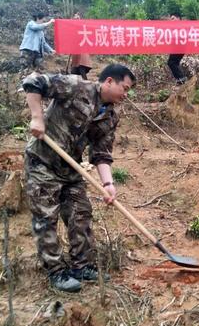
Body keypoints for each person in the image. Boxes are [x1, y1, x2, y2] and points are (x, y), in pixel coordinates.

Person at [23, 63, 136, 292]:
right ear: (109, 81)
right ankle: (56, 272)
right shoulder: (75, 86)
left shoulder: (110, 117)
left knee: (80, 213)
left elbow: (101, 153)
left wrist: (108, 184)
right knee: (46, 218)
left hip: (70, 169)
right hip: (43, 162)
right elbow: (33, 81)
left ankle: (81, 266)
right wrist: (37, 117)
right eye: (124, 88)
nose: (126, 94)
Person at [70, 12, 93, 79]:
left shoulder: (81, 28)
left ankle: (86, 83)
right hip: (76, 52)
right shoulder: (75, 29)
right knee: (74, 70)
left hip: (81, 53)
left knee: (81, 68)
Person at [167, 14, 187, 85]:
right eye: (171, 19)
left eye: (173, 18)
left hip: (180, 47)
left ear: (178, 18)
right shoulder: (175, 27)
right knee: (175, 63)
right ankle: (180, 79)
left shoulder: (181, 25)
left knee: (171, 62)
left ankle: (181, 78)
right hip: (177, 47)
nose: (171, 20)